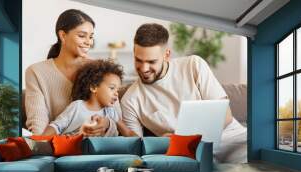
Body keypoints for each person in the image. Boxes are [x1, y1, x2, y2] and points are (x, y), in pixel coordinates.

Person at [120, 23, 247, 163]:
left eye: (151, 61)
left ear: (166, 55)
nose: (144, 68)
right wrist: (161, 144)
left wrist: (180, 136)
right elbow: (137, 148)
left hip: (232, 139)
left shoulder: (193, 65)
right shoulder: (130, 100)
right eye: (138, 60)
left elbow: (225, 116)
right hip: (188, 153)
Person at [25, 9, 119, 136]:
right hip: (60, 148)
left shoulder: (101, 70)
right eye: (82, 36)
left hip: (99, 145)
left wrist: (107, 124)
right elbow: (38, 126)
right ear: (63, 36)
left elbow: (117, 118)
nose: (88, 42)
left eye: (91, 37)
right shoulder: (36, 72)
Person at [42, 60, 134, 136]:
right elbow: (56, 126)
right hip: (72, 151)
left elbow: (127, 132)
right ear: (94, 87)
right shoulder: (77, 106)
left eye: (117, 90)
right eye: (112, 88)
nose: (116, 94)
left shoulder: (111, 112)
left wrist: (142, 145)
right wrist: (39, 142)